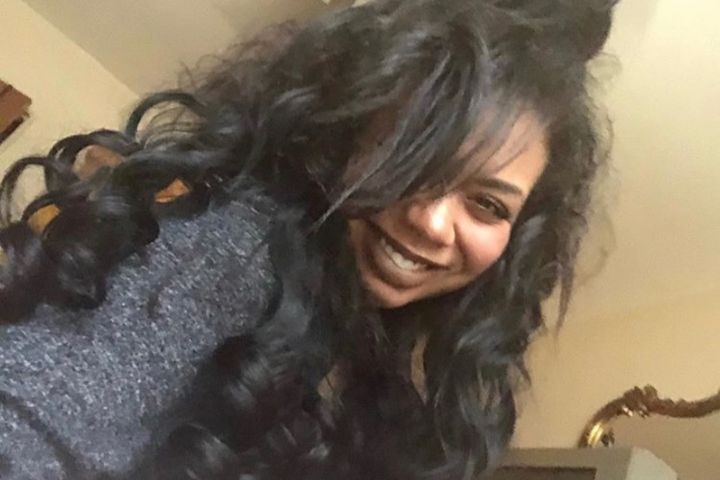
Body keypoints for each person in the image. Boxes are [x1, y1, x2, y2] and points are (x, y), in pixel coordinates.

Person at [0, 0, 616, 478]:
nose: (432, 222)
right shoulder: (231, 246)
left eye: (486, 204)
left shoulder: (372, 347)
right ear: (343, 136)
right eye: (415, 160)